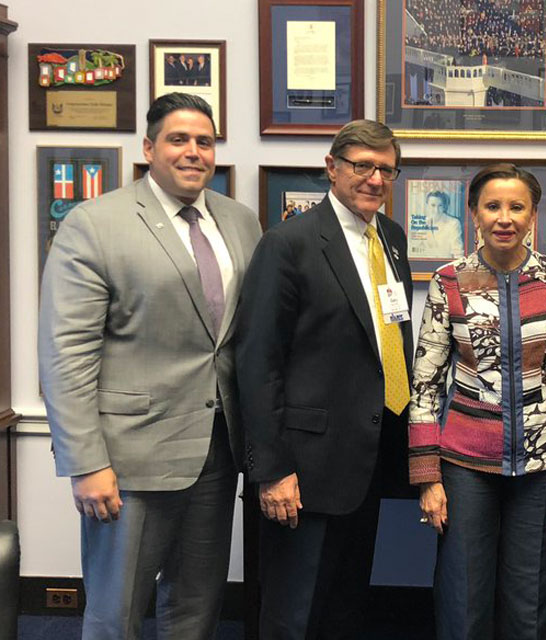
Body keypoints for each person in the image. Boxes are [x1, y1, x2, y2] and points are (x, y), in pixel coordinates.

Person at [38, 92, 262, 639]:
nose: (193, 152)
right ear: (149, 148)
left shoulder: (239, 222)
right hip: (127, 460)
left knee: (195, 607)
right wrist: (85, 462)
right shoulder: (96, 223)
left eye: (204, 142)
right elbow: (66, 355)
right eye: (178, 139)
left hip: (216, 450)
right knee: (116, 613)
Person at [236, 119, 414, 639]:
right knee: (293, 613)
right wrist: (271, 469)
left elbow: (386, 339)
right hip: (303, 469)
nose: (375, 179)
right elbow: (258, 360)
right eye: (362, 166)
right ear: (332, 168)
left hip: (368, 457)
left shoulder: (392, 239)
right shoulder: (288, 243)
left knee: (344, 605)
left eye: (386, 169)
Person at [410, 162, 546, 640]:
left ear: (533, 215)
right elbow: (426, 383)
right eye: (493, 206)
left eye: (517, 207)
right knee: (462, 592)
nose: (504, 217)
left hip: (545, 462)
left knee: (530, 596)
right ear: (474, 213)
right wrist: (427, 476)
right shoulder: (449, 280)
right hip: (466, 461)